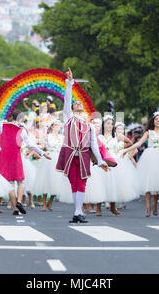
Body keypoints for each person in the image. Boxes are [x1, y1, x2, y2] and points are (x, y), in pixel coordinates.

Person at [55, 68, 109, 223]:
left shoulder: (89, 125)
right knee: (74, 182)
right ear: (72, 109)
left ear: (83, 109)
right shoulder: (68, 119)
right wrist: (70, 83)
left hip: (84, 154)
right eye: (75, 103)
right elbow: (66, 100)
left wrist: (100, 161)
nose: (77, 103)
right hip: (71, 154)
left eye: (80, 103)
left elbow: (93, 144)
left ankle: (78, 212)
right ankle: (77, 211)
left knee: (82, 182)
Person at [0, 109, 51, 216]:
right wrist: (43, 153)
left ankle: (15, 207)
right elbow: (31, 145)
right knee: (20, 182)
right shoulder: (22, 130)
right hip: (16, 158)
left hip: (3, 158)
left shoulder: (3, 126)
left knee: (9, 183)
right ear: (20, 119)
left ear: (12, 117)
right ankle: (19, 201)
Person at [122, 112, 159, 217]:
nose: (158, 121)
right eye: (156, 119)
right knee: (148, 183)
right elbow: (138, 143)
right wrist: (127, 149)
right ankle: (148, 207)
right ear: (153, 121)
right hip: (149, 158)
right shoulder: (148, 133)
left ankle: (154, 205)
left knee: (157, 183)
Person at [35, 119, 70, 211]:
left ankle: (50, 201)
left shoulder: (62, 137)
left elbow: (65, 149)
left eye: (58, 125)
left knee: (57, 182)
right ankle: (44, 203)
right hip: (49, 159)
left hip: (58, 159)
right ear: (52, 126)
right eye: (55, 125)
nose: (57, 127)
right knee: (46, 181)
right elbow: (42, 147)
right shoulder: (47, 136)